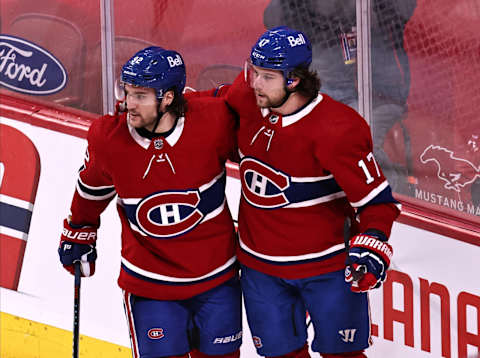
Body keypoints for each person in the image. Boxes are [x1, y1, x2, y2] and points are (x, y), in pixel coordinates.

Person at [222, 27, 401, 358]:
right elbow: (213, 103)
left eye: (266, 77)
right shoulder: (246, 99)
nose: (254, 83)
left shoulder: (337, 130)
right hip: (261, 270)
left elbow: (379, 204)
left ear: (293, 80)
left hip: (327, 270)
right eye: (253, 71)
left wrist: (372, 243)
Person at [58, 47, 242, 358]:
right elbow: (91, 189)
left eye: (141, 95)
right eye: (128, 92)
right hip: (150, 285)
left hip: (217, 279)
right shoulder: (108, 138)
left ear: (168, 98)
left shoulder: (214, 120)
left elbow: (267, 152)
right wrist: (79, 229)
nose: (129, 103)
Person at [262, 0, 417, 195]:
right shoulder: (301, 14)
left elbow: (403, 9)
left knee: (353, 140)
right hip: (332, 91)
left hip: (380, 95)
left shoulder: (375, 12)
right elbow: (273, 17)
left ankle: (388, 194)